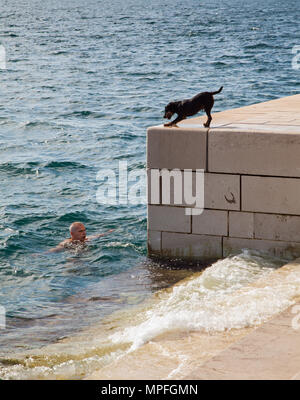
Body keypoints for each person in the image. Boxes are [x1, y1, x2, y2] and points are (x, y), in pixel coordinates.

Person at [48, 222, 114, 253]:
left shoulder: (87, 239)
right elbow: (54, 250)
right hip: (74, 257)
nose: (84, 233)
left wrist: (108, 232)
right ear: (72, 233)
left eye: (84, 230)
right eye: (80, 231)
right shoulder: (67, 243)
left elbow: (98, 236)